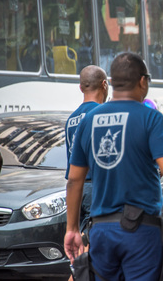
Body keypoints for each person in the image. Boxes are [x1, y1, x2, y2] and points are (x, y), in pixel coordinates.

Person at [64, 52, 163, 280]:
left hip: (101, 232)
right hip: (140, 232)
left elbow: (74, 179)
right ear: (142, 81)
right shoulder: (151, 118)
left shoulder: (88, 120)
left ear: (111, 83)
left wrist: (72, 229)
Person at [65, 65, 108, 234]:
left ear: (81, 87)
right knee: (94, 241)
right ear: (104, 85)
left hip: (76, 190)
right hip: (96, 188)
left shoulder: (71, 119)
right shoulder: (102, 114)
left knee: (83, 238)